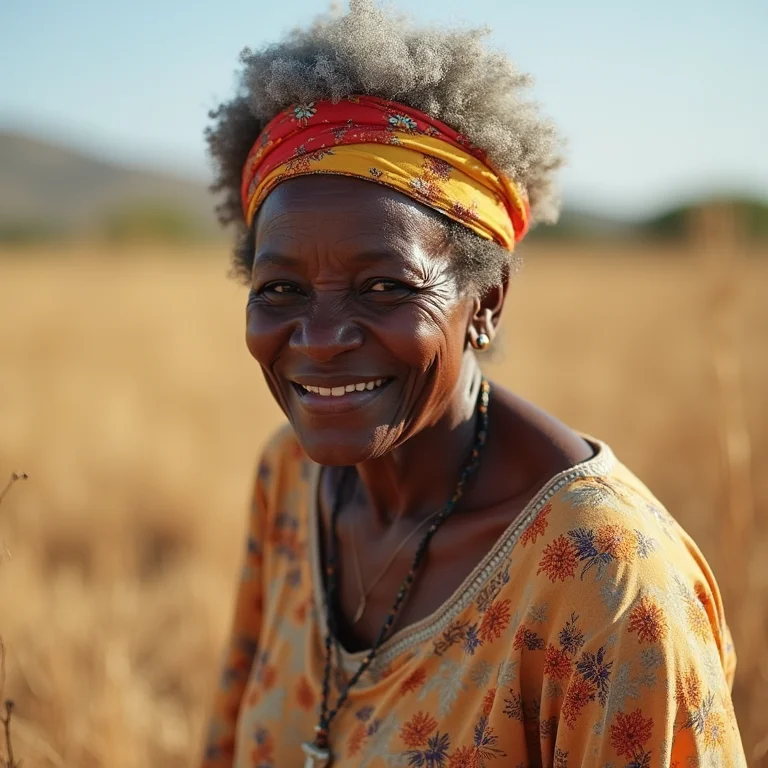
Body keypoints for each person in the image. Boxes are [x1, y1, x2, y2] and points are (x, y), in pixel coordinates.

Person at [200, 2, 746, 765]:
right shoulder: (290, 479)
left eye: (385, 287)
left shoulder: (610, 582)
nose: (320, 341)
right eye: (281, 291)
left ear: (485, 301)